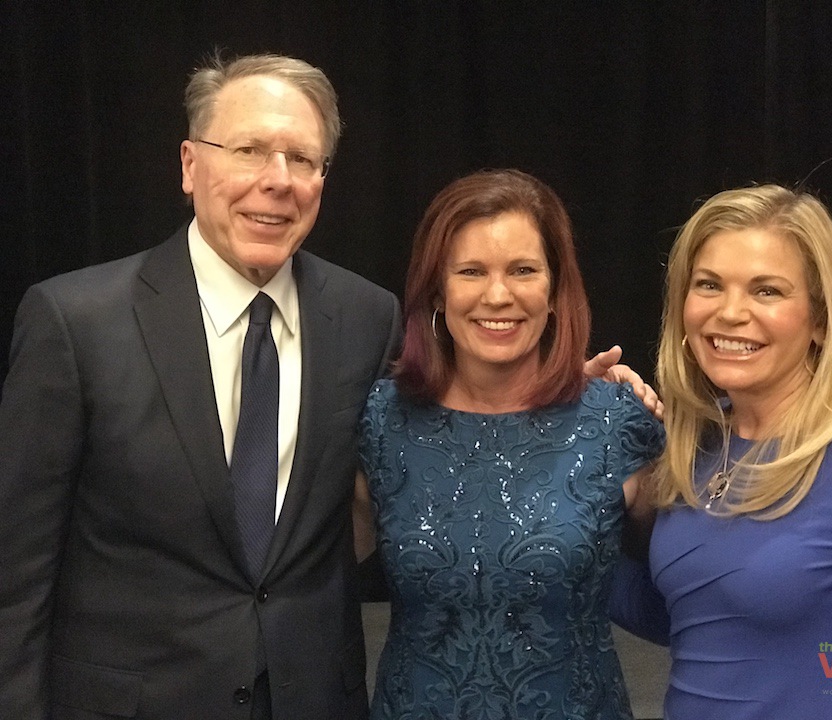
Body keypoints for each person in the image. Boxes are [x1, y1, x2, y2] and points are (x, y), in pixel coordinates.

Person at [0, 52, 402, 719]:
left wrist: (560, 395)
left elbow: (434, 437)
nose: (278, 181)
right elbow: (15, 574)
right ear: (190, 165)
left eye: (303, 159)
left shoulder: (367, 317)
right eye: (248, 150)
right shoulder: (75, 322)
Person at [609, 184, 832, 719]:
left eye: (766, 291)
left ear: (820, 318)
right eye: (709, 285)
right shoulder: (697, 446)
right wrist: (584, 520)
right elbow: (696, 624)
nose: (730, 312)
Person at [353, 169, 666, 720]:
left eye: (522, 270)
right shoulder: (380, 419)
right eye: (471, 271)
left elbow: (697, 581)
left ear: (555, 291)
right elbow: (305, 575)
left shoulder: (618, 422)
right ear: (437, 292)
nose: (498, 295)